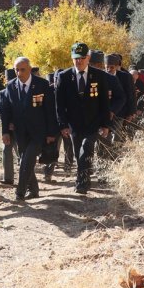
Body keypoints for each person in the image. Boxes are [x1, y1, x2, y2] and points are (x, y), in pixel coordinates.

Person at [55, 42, 111, 194]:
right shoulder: (64, 77)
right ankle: (83, 180)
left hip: (93, 122)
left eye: (81, 58)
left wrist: (105, 124)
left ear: (88, 58)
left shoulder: (99, 75)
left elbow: (105, 103)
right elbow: (59, 105)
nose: (78, 61)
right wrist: (63, 125)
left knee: (86, 148)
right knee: (78, 150)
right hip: (74, 124)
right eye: (75, 58)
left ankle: (82, 183)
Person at [0, 57, 57, 200]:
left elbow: (50, 110)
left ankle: (20, 192)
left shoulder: (42, 85)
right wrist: (5, 131)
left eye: (22, 69)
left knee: (27, 158)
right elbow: (5, 110)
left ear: (30, 69)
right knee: (25, 160)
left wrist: (51, 133)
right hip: (20, 132)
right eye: (16, 70)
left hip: (39, 132)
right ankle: (34, 190)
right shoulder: (11, 86)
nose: (19, 73)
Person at [0, 68, 18, 186]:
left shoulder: (21, 91)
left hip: (20, 128)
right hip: (7, 129)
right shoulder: (2, 93)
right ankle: (8, 178)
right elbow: (0, 109)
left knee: (22, 153)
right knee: (6, 150)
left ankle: (28, 178)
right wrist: (8, 123)